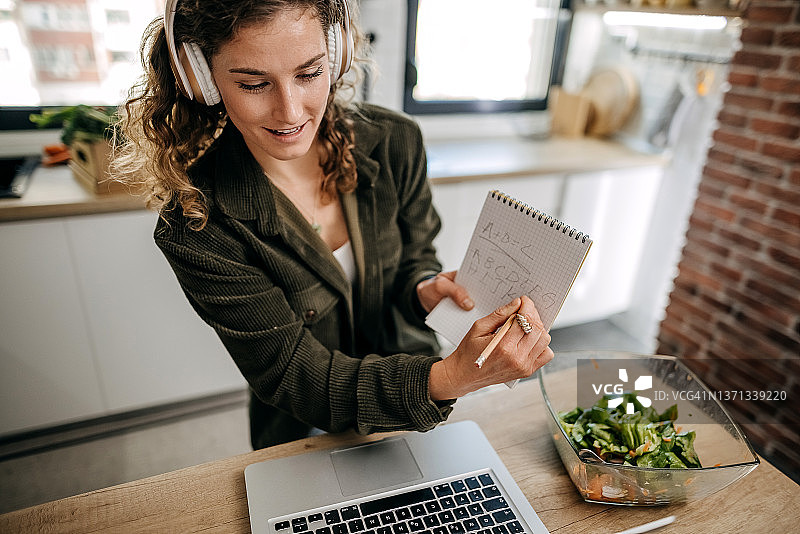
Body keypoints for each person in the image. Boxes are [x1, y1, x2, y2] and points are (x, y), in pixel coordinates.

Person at [112, 0, 554, 449]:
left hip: (420, 398)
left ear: (336, 53)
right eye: (253, 83)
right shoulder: (197, 226)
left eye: (308, 74)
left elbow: (416, 255)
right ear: (201, 79)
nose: (289, 111)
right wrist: (448, 379)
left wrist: (423, 288)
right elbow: (294, 374)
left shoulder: (395, 142)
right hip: (311, 430)